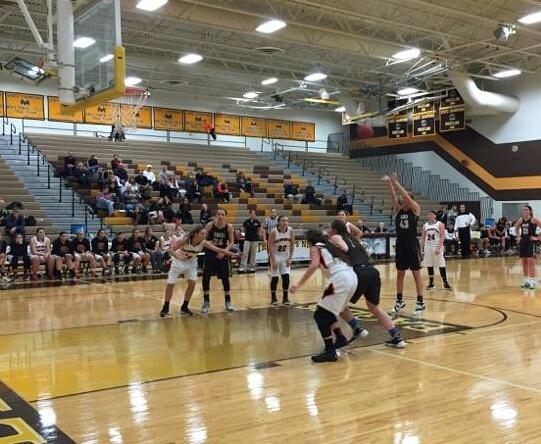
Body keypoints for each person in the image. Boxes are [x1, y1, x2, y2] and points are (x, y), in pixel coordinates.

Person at [329, 219, 406, 348]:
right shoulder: (354, 239)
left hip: (359, 272)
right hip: (372, 271)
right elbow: (359, 233)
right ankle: (397, 337)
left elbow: (345, 248)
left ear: (335, 230)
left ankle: (357, 328)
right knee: (374, 308)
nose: (329, 230)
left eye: (330, 228)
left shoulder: (336, 237)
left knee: (337, 304)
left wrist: (331, 246)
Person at [290, 229, 357, 363]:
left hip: (340, 278)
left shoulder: (315, 247)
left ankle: (330, 351)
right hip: (352, 276)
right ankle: (340, 338)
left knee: (319, 314)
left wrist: (298, 284)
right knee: (326, 311)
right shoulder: (330, 245)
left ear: (310, 240)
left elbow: (314, 265)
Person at [160, 225, 239, 317]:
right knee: (171, 284)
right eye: (202, 233)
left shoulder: (204, 242)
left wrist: (234, 254)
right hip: (178, 261)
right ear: (196, 234)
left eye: (205, 234)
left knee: (192, 283)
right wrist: (179, 257)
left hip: (191, 261)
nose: (204, 235)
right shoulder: (186, 240)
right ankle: (165, 307)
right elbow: (172, 249)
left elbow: (218, 249)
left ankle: (184, 307)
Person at [383, 173, 425, 315]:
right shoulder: (399, 210)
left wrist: (396, 182)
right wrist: (390, 184)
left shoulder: (415, 209)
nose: (403, 200)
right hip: (400, 244)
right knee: (400, 274)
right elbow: (394, 198)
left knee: (416, 273)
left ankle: (420, 302)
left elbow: (405, 196)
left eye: (406, 198)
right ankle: (399, 300)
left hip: (412, 244)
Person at [202, 208, 235, 313]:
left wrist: (224, 251)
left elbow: (231, 242)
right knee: (206, 277)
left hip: (222, 254)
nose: (220, 216)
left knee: (225, 278)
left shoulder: (229, 227)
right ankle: (206, 302)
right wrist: (209, 243)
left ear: (225, 216)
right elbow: (202, 239)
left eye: (222, 214)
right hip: (210, 254)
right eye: (219, 214)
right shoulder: (210, 225)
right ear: (216, 215)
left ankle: (228, 301)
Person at [421, 211, 452, 291]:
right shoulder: (425, 225)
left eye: (431, 214)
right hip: (428, 247)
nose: (430, 216)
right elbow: (423, 237)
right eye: (428, 214)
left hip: (436, 247)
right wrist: (422, 248)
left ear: (435, 216)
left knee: (441, 264)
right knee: (429, 264)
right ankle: (431, 283)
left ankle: (445, 282)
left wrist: (439, 247)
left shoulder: (440, 224)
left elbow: (442, 237)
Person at [268, 215, 295, 305]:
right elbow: (270, 246)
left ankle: (285, 298)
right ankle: (273, 298)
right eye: (283, 220)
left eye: (287, 220)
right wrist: (273, 260)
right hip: (275, 255)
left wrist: (290, 258)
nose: (285, 222)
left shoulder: (290, 230)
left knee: (286, 277)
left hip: (285, 256)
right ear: (279, 222)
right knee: (275, 277)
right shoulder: (274, 231)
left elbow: (292, 245)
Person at [515, 206, 541, 289]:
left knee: (530, 261)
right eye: (523, 210)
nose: (524, 211)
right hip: (523, 242)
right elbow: (516, 228)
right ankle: (526, 280)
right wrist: (518, 236)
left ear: (530, 211)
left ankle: (532, 281)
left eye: (526, 209)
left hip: (530, 242)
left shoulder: (534, 219)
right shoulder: (520, 220)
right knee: (524, 261)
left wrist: (537, 238)